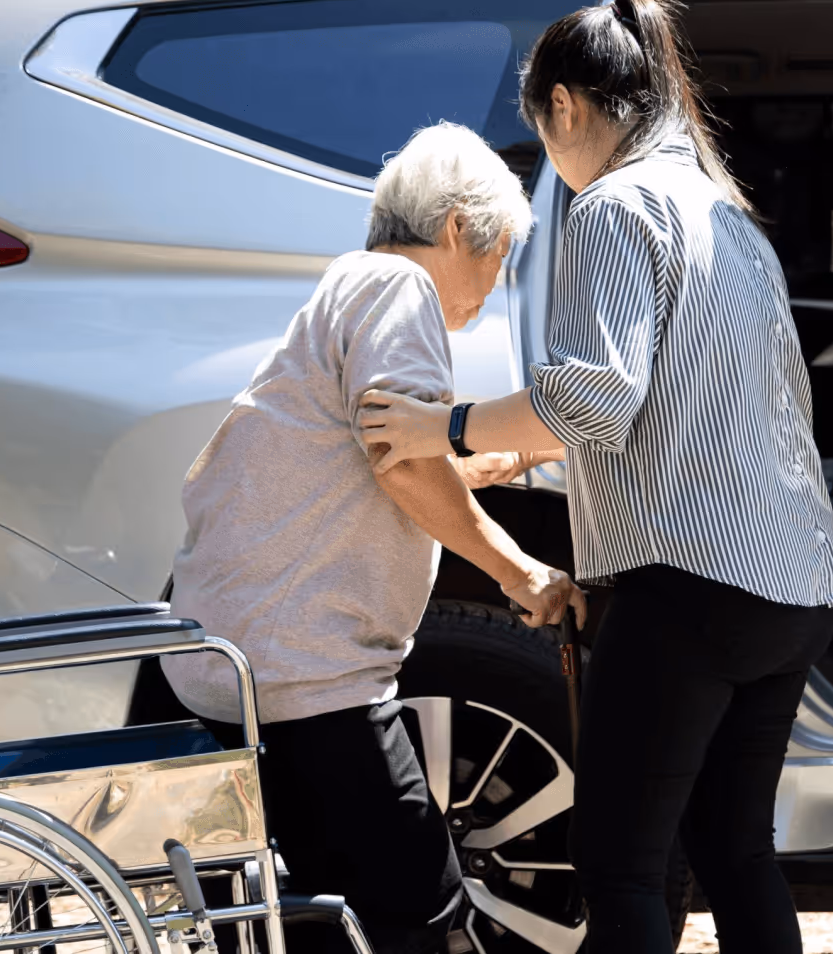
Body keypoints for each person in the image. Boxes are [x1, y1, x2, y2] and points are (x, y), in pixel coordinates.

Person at [356, 2, 833, 951]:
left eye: (540, 132)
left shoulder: (614, 206)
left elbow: (595, 395)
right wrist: (521, 449)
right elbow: (686, 399)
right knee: (737, 850)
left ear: (563, 105)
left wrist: (445, 425)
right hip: (794, 586)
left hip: (688, 589)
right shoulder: (726, 212)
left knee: (620, 865)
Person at [160, 121, 586, 954]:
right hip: (306, 674)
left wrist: (493, 459)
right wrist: (521, 573)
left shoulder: (349, 284)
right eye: (499, 257)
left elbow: (359, 461)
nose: (495, 285)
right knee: (417, 911)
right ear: (460, 230)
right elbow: (398, 466)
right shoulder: (401, 291)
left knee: (323, 917)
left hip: (242, 659)